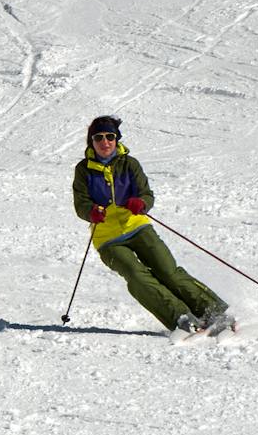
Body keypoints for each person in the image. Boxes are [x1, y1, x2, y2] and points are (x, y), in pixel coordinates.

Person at [71, 114, 229, 333]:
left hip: (138, 227)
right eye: (98, 137)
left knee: (168, 271)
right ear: (92, 142)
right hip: (107, 239)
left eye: (109, 136)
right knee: (137, 276)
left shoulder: (129, 164)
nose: (104, 142)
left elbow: (146, 194)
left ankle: (213, 313)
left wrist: (141, 203)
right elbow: (81, 203)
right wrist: (91, 211)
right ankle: (181, 318)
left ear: (117, 139)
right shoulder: (83, 170)